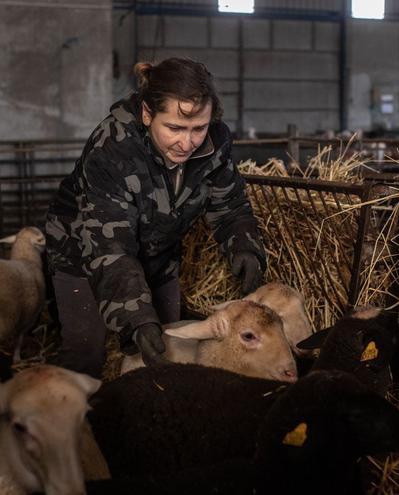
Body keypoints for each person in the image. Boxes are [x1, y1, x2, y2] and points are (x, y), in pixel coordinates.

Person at [45, 57, 266, 378]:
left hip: (158, 251)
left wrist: (244, 245)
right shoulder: (112, 148)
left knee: (169, 341)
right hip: (83, 254)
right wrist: (136, 317)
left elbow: (229, 202)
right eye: (175, 128)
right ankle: (72, 420)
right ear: (148, 114)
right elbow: (110, 247)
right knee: (86, 349)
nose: (187, 142)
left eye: (198, 129)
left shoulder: (215, 143)